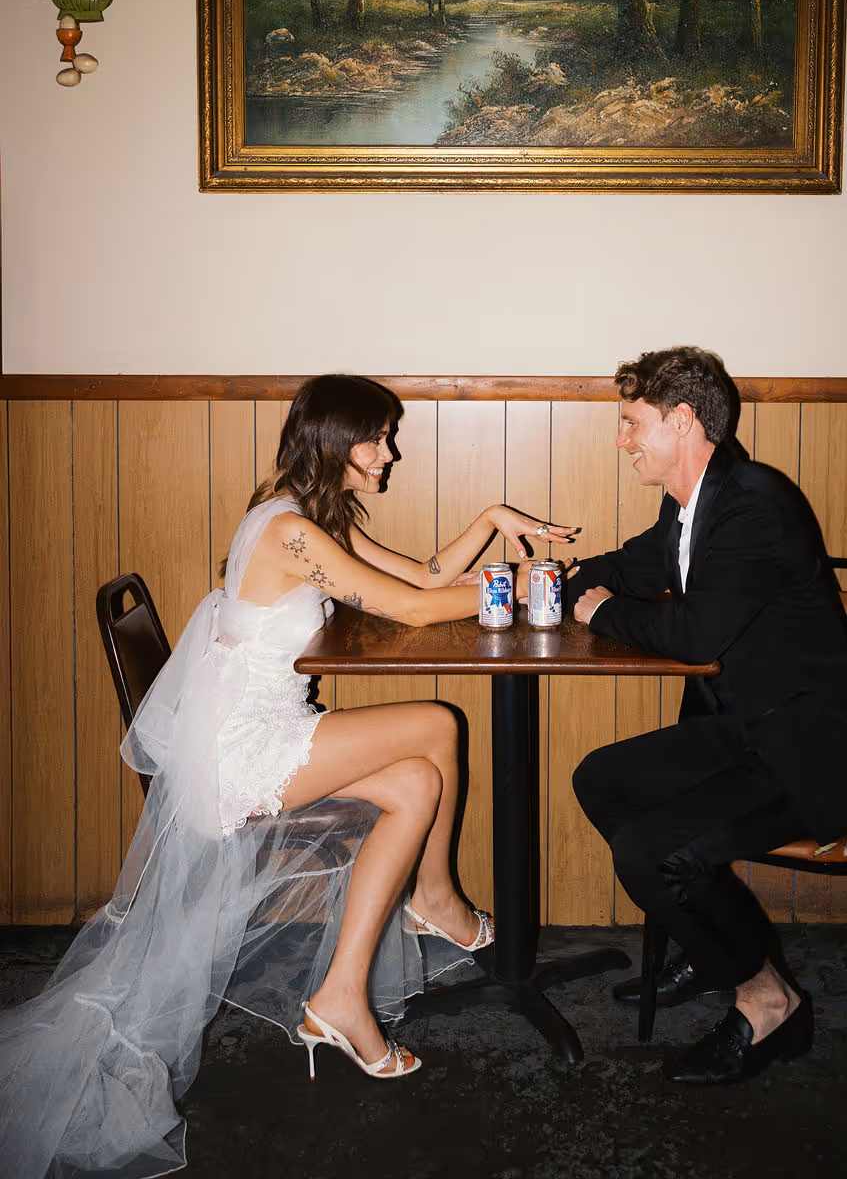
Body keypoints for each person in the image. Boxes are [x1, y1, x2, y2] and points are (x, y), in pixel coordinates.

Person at [0, 373, 576, 1177]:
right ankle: (434, 901)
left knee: (416, 782)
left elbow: (419, 579)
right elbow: (414, 611)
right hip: (242, 748)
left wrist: (489, 522)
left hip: (271, 729)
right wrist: (525, 590)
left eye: (386, 437)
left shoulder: (310, 516)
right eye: (377, 438)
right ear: (335, 442)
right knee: (438, 725)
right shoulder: (288, 531)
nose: (389, 453)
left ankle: (340, 997)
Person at [566, 347, 847, 1086]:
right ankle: (716, 942)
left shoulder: (754, 506)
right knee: (601, 780)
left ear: (682, 421)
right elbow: (638, 564)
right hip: (752, 733)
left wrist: (601, 613)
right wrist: (563, 579)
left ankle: (767, 999)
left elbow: (694, 636)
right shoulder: (693, 505)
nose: (621, 440)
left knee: (650, 852)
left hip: (818, 752)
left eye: (632, 423)